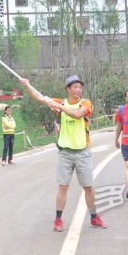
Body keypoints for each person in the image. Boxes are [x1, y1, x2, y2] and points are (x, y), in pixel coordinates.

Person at [20, 75, 107, 231]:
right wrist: (27, 85)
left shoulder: (85, 103)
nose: (78, 90)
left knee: (88, 187)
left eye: (80, 87)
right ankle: (58, 219)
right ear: (68, 89)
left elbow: (78, 114)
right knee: (63, 187)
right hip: (65, 153)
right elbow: (40, 98)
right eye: (75, 87)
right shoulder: (61, 102)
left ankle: (94, 217)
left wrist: (58, 107)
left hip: (83, 152)